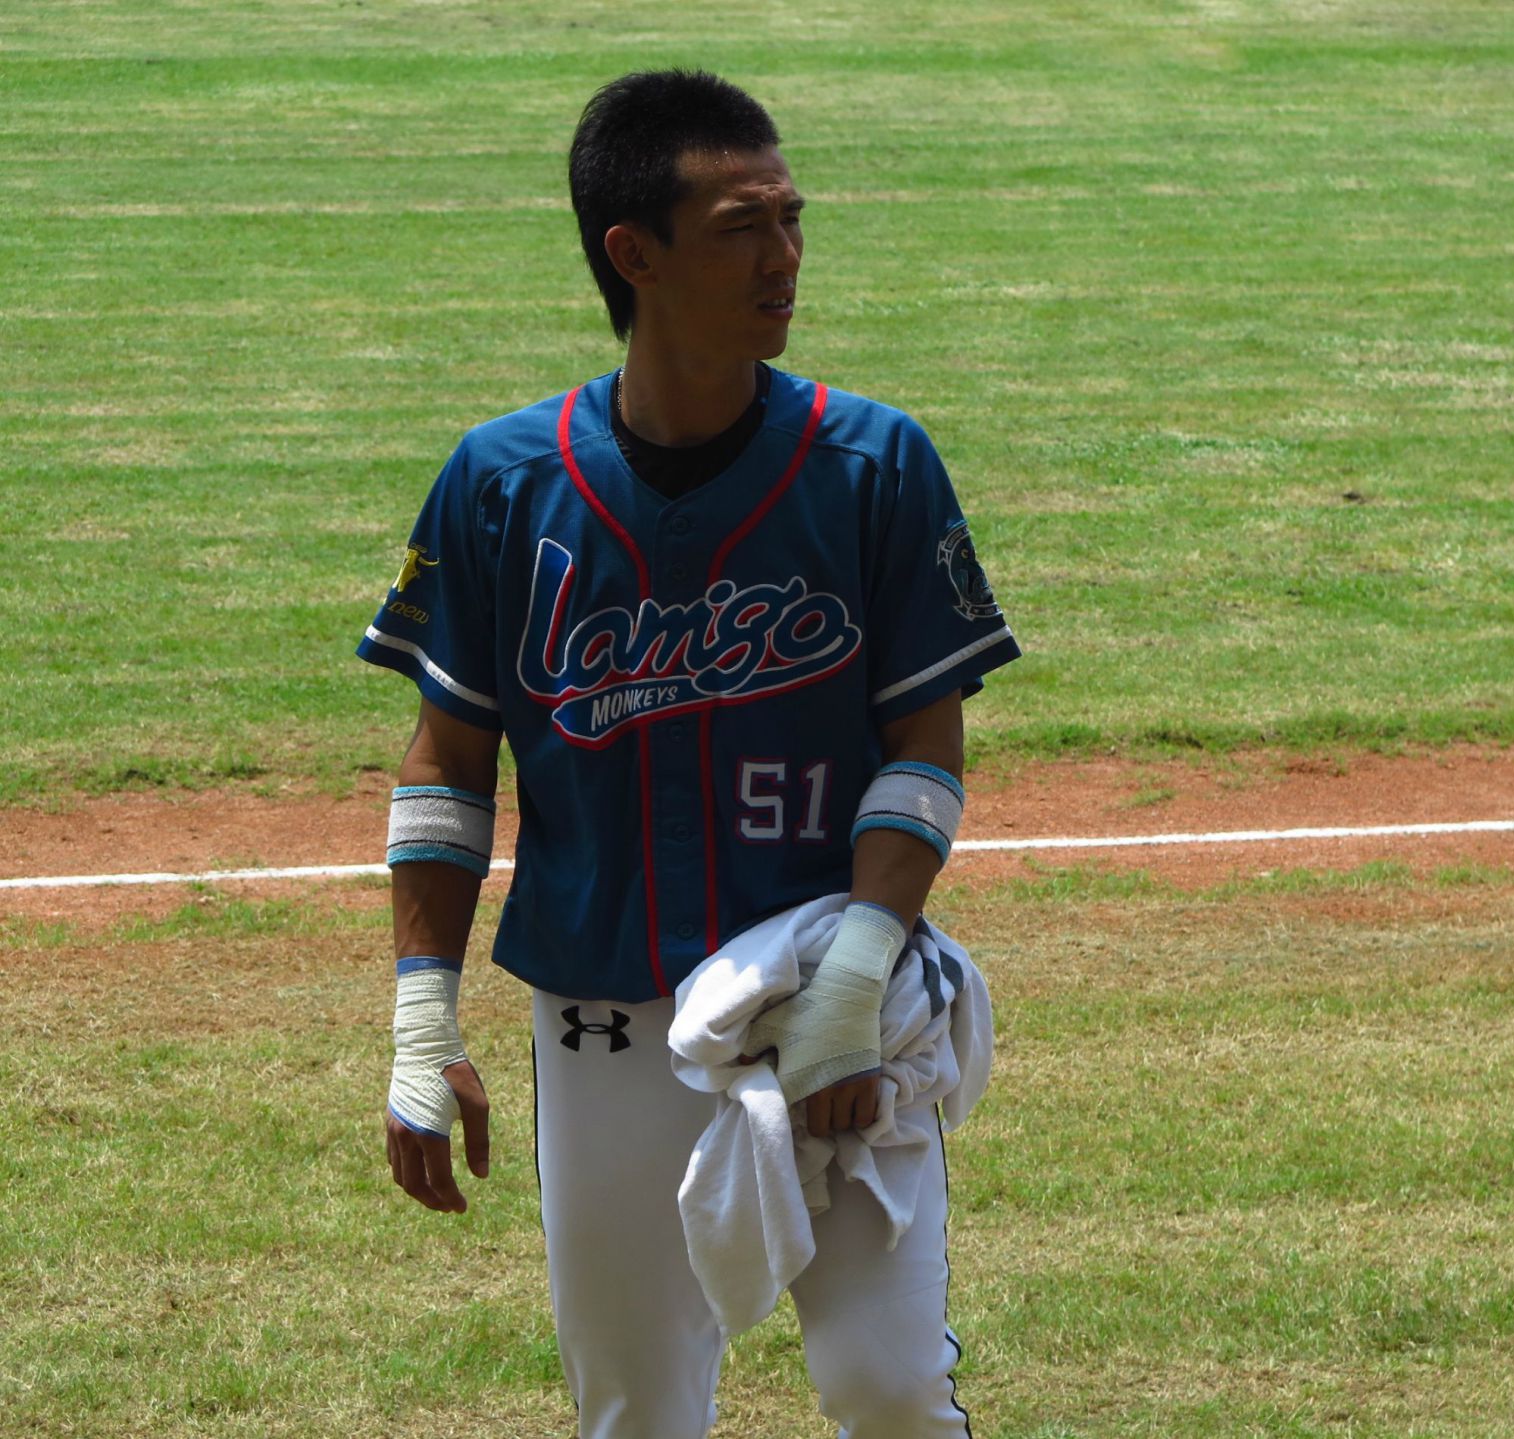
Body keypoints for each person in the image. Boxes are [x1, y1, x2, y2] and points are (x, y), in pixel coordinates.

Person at [355, 68, 1019, 1438]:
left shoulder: (874, 464)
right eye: (741, 226)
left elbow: (926, 741)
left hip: (835, 1000)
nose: (785, 257)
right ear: (634, 253)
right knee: (637, 1412)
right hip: (604, 1019)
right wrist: (424, 1026)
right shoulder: (503, 484)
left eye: (792, 219)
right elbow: (445, 767)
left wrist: (855, 981)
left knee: (890, 1386)